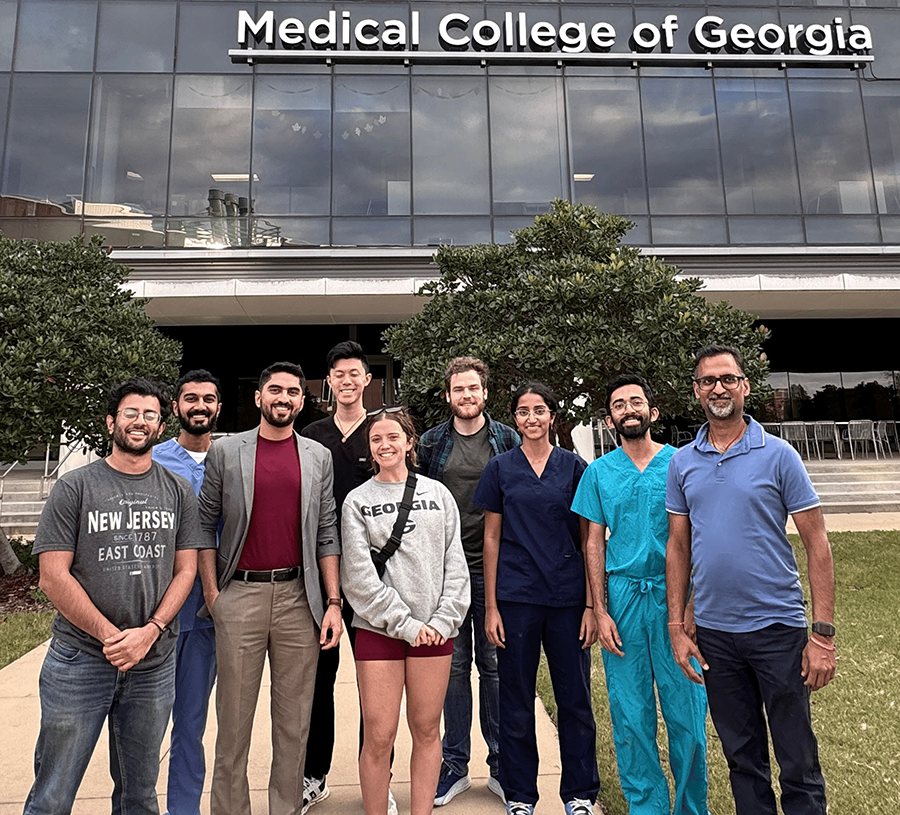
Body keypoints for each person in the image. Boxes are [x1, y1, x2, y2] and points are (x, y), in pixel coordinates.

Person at [666, 344, 836, 815]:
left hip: (777, 630)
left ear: (744, 385)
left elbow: (817, 543)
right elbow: (678, 547)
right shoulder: (682, 463)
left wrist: (821, 635)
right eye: (707, 381)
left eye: (727, 379)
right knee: (742, 760)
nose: (718, 388)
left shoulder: (779, 455)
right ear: (697, 392)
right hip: (716, 637)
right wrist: (678, 627)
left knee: (797, 758)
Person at [24, 378, 205, 815]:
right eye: (130, 413)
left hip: (153, 662)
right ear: (111, 422)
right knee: (53, 793)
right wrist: (112, 637)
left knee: (140, 796)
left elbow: (187, 569)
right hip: (81, 660)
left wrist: (150, 632)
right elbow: (52, 575)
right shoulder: (75, 487)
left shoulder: (177, 491)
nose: (140, 422)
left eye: (149, 415)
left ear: (160, 427)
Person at [197, 361, 343, 815]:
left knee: (294, 725)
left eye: (293, 392)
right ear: (259, 397)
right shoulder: (227, 452)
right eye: (275, 390)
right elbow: (203, 525)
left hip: (300, 601)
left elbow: (326, 532)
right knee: (233, 726)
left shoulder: (317, 457)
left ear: (303, 400)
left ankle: (286, 807)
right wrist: (212, 596)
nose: (284, 398)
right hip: (238, 596)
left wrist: (333, 602)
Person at [572, 374, 708, 815]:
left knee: (687, 712)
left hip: (674, 595)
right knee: (631, 715)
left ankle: (691, 807)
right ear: (609, 418)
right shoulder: (598, 473)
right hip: (623, 598)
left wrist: (690, 606)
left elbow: (697, 538)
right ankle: (646, 806)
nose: (628, 409)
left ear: (652, 411)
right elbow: (593, 542)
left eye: (636, 402)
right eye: (618, 405)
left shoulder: (681, 464)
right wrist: (599, 608)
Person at [474, 382, 600, 815]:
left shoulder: (575, 468)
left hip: (567, 599)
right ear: (515, 418)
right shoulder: (500, 468)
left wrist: (589, 605)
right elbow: (491, 537)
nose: (532, 418)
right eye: (524, 411)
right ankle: (521, 794)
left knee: (575, 699)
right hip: (516, 597)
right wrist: (491, 606)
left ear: (552, 416)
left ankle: (580, 793)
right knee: (514, 698)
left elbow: (589, 541)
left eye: (540, 410)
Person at [341, 408, 470, 815]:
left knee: (427, 730)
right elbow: (359, 579)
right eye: (377, 439)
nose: (385, 445)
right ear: (371, 448)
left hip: (434, 632)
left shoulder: (438, 494)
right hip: (380, 631)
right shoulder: (357, 501)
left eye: (393, 437)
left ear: (409, 442)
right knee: (379, 736)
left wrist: (441, 620)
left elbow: (456, 565)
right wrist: (405, 624)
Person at [418, 357, 520, 807]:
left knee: (495, 668)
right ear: (448, 395)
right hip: (445, 573)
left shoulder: (507, 439)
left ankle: (500, 764)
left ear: (484, 393)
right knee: (453, 670)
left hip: (496, 570)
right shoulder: (429, 443)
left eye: (473, 388)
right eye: (458, 389)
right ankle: (455, 764)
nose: (466, 396)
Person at [301, 341, 389, 813]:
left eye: (356, 373)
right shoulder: (311, 435)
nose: (348, 380)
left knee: (376, 686)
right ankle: (314, 775)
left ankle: (378, 782)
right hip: (322, 580)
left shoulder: (382, 431)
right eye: (339, 374)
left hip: (377, 579)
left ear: (367, 380)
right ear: (329, 381)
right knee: (320, 680)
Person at [152, 369, 222, 815]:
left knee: (191, 722)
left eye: (208, 399)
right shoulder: (153, 459)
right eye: (190, 398)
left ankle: (183, 808)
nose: (200, 406)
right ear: (176, 407)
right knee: (143, 723)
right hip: (155, 609)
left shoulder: (231, 458)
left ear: (218, 407)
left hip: (208, 612)